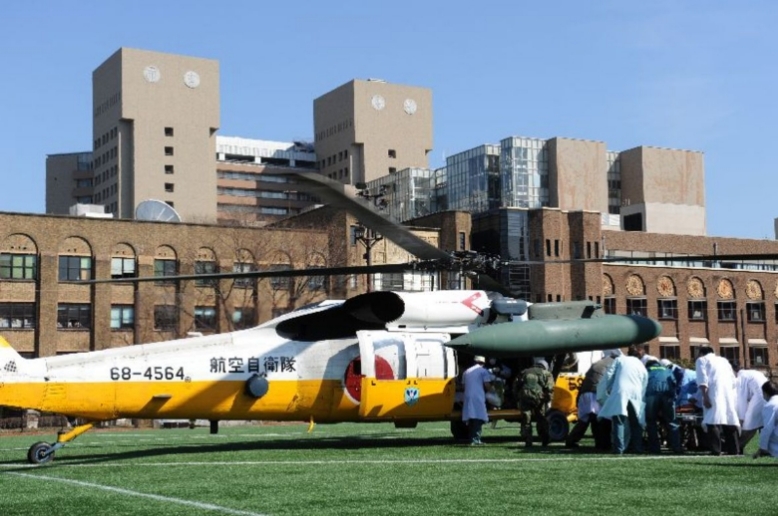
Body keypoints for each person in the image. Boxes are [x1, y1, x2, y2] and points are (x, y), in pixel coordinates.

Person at [565, 349, 621, 450]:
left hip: (585, 393)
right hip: (596, 394)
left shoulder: (598, 363)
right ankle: (603, 444)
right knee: (603, 420)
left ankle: (571, 440)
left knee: (585, 420)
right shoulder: (614, 364)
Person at [597, 350, 648, 454]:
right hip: (636, 393)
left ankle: (619, 449)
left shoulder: (620, 360)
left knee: (619, 421)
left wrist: (602, 393)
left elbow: (609, 375)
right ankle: (637, 448)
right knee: (636, 422)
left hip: (621, 392)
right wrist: (641, 397)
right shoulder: (641, 364)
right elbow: (645, 380)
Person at [696, 346, 740, 455]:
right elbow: (733, 379)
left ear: (701, 353)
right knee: (729, 419)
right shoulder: (724, 361)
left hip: (714, 392)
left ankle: (716, 449)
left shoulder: (701, 360)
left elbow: (703, 379)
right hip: (728, 392)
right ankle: (734, 449)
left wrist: (705, 397)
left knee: (712, 420)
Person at [644, 359, 682, 454]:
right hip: (668, 395)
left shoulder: (647, 370)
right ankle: (677, 447)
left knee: (651, 422)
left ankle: (654, 448)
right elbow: (674, 383)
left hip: (651, 395)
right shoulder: (667, 370)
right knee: (672, 422)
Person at [515, 358, 554, 447]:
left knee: (526, 419)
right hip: (538, 398)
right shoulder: (546, 373)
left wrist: (517, 398)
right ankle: (545, 440)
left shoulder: (524, 372)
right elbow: (550, 389)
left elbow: (516, 385)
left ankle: (528, 441)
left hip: (524, 397)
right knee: (541, 419)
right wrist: (547, 400)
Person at [461, 355, 493, 445]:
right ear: (483, 363)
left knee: (471, 417)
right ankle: (475, 439)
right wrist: (493, 390)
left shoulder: (466, 371)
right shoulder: (483, 371)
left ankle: (473, 438)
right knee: (478, 417)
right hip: (477, 396)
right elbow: (487, 385)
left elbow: (463, 386)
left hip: (467, 396)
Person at [736, 367, 768, 451]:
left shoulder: (741, 378)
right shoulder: (752, 372)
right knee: (765, 425)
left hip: (760, 398)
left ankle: (738, 446)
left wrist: (741, 419)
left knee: (749, 424)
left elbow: (742, 400)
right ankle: (767, 449)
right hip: (768, 396)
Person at [753, 381, 778, 459]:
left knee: (767, 436)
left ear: (765, 393)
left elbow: (767, 428)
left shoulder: (770, 405)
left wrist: (762, 447)